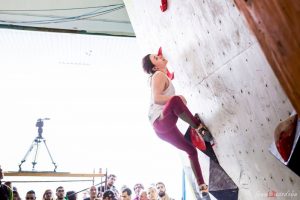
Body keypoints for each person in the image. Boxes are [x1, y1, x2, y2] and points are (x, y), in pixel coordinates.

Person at [142, 53, 212, 195]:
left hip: (162, 130)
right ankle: (198, 128)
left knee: (191, 150)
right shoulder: (158, 76)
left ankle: (201, 186)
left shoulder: (161, 76)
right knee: (175, 100)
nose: (160, 57)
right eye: (156, 58)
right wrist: (178, 97)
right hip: (161, 121)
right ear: (155, 67)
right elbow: (157, 98)